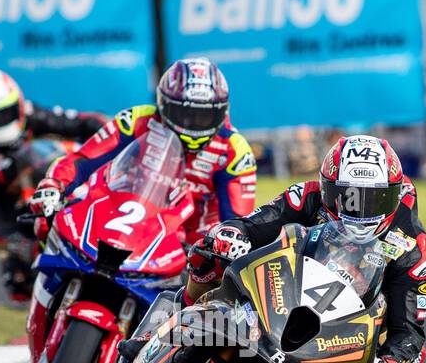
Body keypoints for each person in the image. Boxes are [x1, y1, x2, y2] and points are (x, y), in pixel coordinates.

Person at [185, 134, 426, 363]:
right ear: (327, 187)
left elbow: (410, 335)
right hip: (275, 294)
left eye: (372, 200)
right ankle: (169, 323)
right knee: (208, 258)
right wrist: (231, 236)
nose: (358, 209)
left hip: (339, 344)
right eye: (347, 197)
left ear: (391, 196)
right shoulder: (307, 196)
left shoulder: (416, 252)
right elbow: (255, 224)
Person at [29, 57, 256, 248]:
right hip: (124, 225)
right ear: (164, 104)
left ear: (222, 112)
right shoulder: (136, 120)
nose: (193, 125)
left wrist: (211, 250)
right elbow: (83, 161)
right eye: (184, 113)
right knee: (49, 225)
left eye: (203, 116)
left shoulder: (235, 151)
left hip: (189, 248)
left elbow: (236, 225)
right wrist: (54, 185)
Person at [0, 68, 106, 304]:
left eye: (6, 112)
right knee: (17, 283)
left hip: (60, 183)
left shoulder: (32, 114)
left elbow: (88, 123)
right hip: (20, 215)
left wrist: (114, 137)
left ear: (19, 104)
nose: (0, 122)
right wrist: (20, 241)